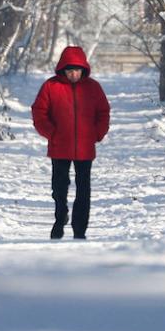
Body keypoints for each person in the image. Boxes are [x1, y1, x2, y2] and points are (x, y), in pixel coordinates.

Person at [29, 45, 110, 240]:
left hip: (84, 148)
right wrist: (51, 133)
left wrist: (96, 134)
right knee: (59, 187)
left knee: (83, 189)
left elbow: (103, 112)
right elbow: (39, 112)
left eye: (77, 70)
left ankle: (80, 229)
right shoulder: (51, 86)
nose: (73, 74)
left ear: (83, 69)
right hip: (59, 146)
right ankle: (60, 218)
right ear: (63, 69)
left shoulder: (93, 88)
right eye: (70, 70)